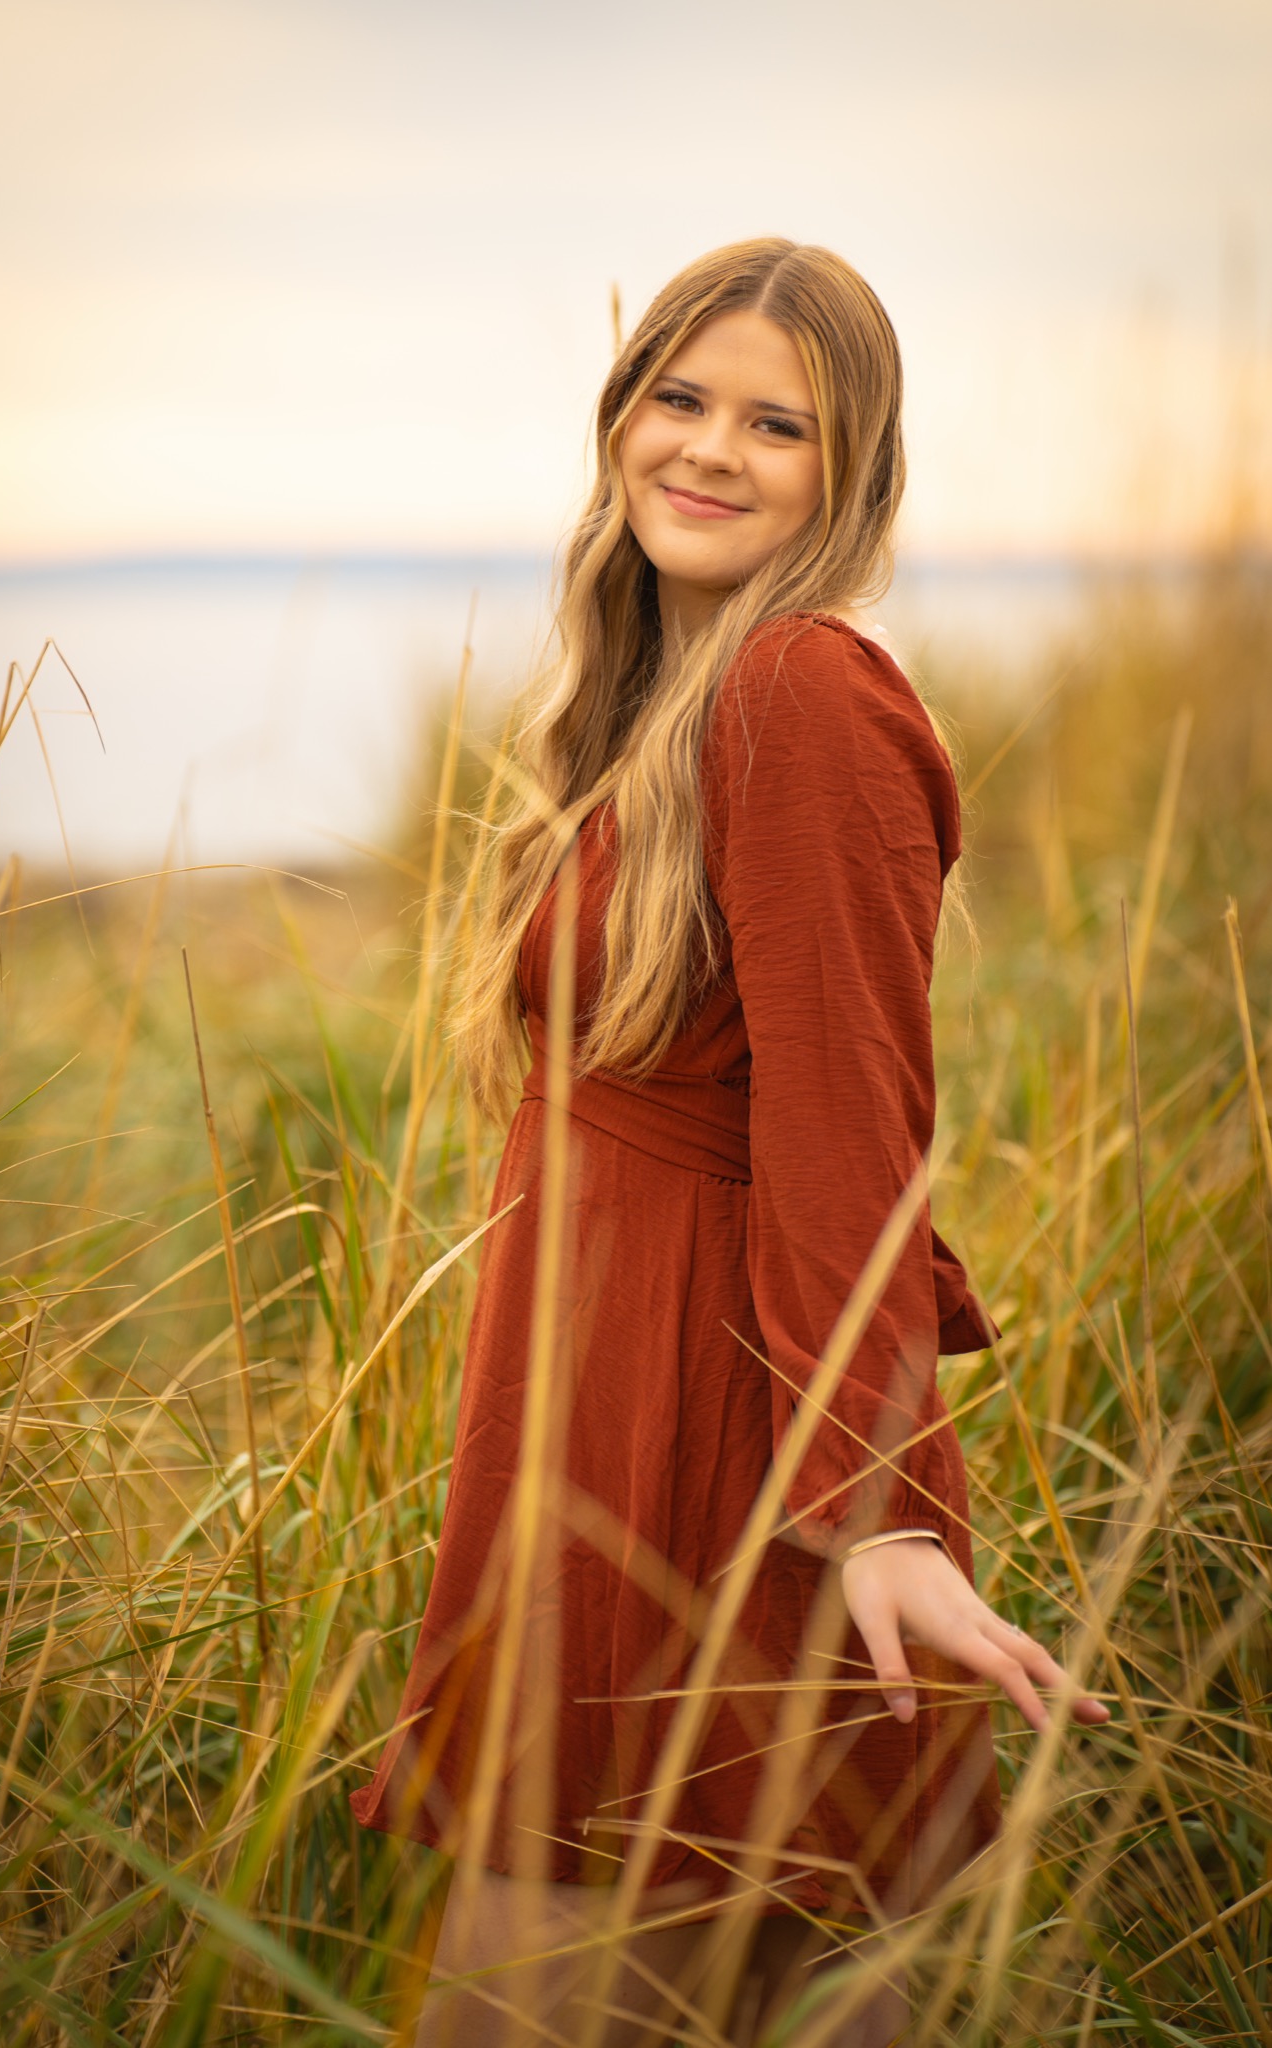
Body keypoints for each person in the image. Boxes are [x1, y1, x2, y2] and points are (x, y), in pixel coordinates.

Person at [351, 238, 1108, 2047]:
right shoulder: (661, 701)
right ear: (620, 420)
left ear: (848, 475)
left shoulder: (799, 700)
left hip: (702, 1458)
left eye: (778, 423)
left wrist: (873, 1513)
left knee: (539, 1994)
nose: (708, 449)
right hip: (599, 1425)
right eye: (679, 399)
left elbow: (851, 1133)